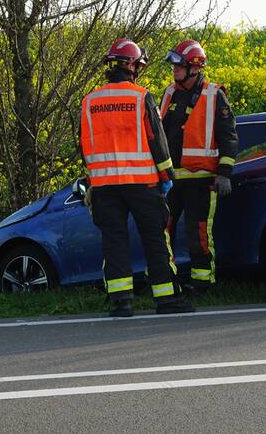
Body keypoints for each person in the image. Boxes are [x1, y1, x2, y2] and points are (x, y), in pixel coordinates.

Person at [80, 38, 195, 317]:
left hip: (104, 186)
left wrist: (91, 180)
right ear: (132, 66)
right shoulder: (141, 97)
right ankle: (166, 299)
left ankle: (121, 302)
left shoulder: (90, 101)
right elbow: (157, 140)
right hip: (143, 184)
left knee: (114, 242)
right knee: (154, 239)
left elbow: (83, 145)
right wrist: (167, 175)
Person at [160, 39, 238, 295]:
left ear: (194, 68)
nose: (174, 69)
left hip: (202, 179)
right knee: (162, 229)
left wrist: (224, 173)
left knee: (199, 231)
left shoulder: (215, 95)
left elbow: (229, 137)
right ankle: (164, 281)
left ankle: (202, 282)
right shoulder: (170, 93)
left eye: (179, 65)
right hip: (171, 179)